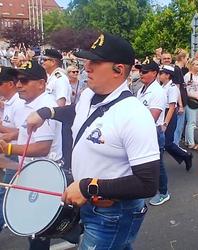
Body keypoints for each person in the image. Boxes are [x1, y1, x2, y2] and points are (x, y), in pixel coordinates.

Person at [26, 32, 160, 249]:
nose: (86, 66)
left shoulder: (134, 115)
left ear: (119, 69)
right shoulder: (89, 95)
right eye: (87, 60)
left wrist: (88, 187)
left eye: (95, 62)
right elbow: (78, 114)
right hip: (91, 203)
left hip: (112, 214)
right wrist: (46, 112)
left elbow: (147, 184)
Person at [0, 61, 62, 249]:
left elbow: (43, 147)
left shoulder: (45, 106)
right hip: (30, 170)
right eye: (17, 80)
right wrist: (10, 136)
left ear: (42, 83)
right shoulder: (29, 104)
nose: (19, 85)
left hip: (43, 174)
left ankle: (74, 229)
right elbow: (25, 132)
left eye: (25, 81)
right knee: (33, 227)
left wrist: (9, 149)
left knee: (38, 231)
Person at [135, 60, 169, 206]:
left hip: (153, 130)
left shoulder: (157, 92)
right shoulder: (141, 90)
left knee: (157, 164)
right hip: (141, 130)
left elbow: (151, 117)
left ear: (154, 73)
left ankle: (163, 192)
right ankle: (146, 190)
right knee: (142, 162)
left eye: (144, 71)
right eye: (140, 71)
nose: (140, 74)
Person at [0, 66, 23, 232]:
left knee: (4, 194)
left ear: (9, 84)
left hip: (15, 154)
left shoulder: (19, 103)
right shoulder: (9, 102)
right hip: (8, 152)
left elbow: (22, 133)